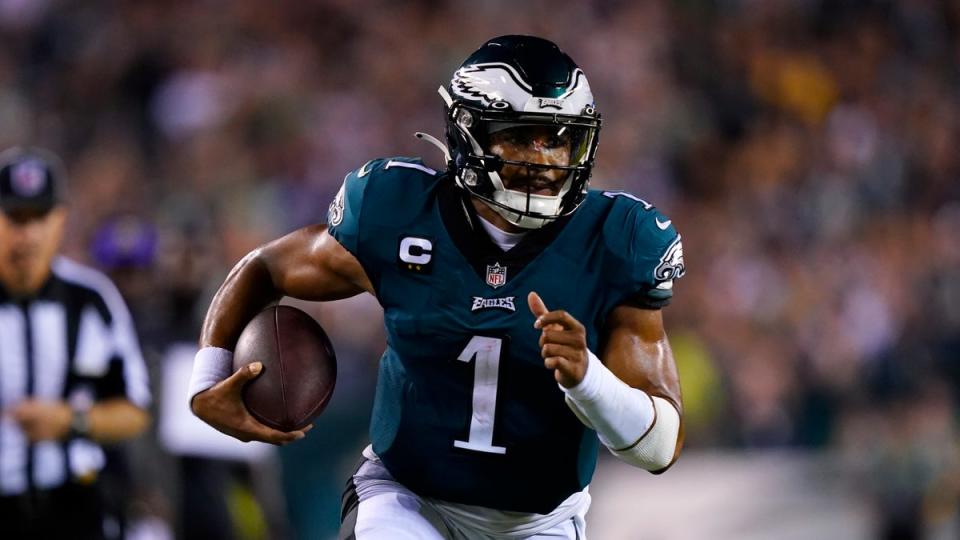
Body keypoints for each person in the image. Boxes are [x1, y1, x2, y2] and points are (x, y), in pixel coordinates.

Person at [190, 35, 686, 539]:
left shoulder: (617, 241)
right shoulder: (397, 212)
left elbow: (658, 447)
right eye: (520, 136)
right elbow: (265, 267)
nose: (545, 160)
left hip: (537, 522)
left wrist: (588, 380)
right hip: (408, 499)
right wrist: (206, 377)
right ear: (469, 135)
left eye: (558, 139)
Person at [0, 147, 151, 539]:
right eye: (15, 218)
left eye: (40, 217)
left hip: (74, 504)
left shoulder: (91, 299)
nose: (28, 235)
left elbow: (135, 410)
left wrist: (71, 421)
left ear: (61, 220)